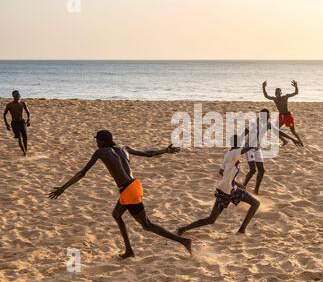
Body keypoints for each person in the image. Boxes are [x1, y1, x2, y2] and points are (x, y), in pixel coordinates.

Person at [49, 130, 192, 259]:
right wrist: (165, 150)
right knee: (116, 215)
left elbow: (82, 173)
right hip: (134, 186)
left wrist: (63, 188)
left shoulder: (101, 152)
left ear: (103, 141)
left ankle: (183, 241)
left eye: (97, 140)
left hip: (128, 191)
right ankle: (129, 250)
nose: (96, 143)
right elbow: (148, 154)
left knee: (147, 225)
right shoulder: (124, 148)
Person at [176, 135, 260, 236]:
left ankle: (182, 229)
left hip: (224, 189)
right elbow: (247, 148)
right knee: (255, 204)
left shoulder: (228, 154)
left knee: (211, 219)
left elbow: (221, 172)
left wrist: (235, 182)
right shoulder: (235, 152)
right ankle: (241, 230)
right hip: (229, 190)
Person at [242, 109, 302, 195]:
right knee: (253, 170)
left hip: (257, 148)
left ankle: (256, 191)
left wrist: (292, 139)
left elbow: (279, 132)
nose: (269, 118)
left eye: (269, 116)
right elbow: (243, 134)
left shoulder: (267, 124)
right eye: (267, 116)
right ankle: (243, 187)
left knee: (262, 171)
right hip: (248, 148)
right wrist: (237, 148)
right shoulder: (253, 124)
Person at [262, 80, 304, 146]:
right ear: (275, 93)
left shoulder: (285, 97)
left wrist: (296, 86)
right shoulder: (275, 99)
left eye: (278, 92)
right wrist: (263, 87)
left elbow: (296, 93)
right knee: (275, 130)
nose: (277, 93)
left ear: (281, 93)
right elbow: (266, 96)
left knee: (293, 131)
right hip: (281, 116)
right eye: (276, 92)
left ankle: (301, 142)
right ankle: (284, 141)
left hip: (287, 116)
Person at [3, 90, 31, 156]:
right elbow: (4, 114)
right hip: (14, 123)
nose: (18, 95)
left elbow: (28, 112)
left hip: (22, 122)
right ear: (13, 96)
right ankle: (24, 153)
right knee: (19, 137)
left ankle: (25, 151)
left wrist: (28, 119)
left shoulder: (23, 103)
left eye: (18, 94)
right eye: (16, 95)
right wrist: (6, 124)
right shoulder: (9, 105)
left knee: (25, 137)